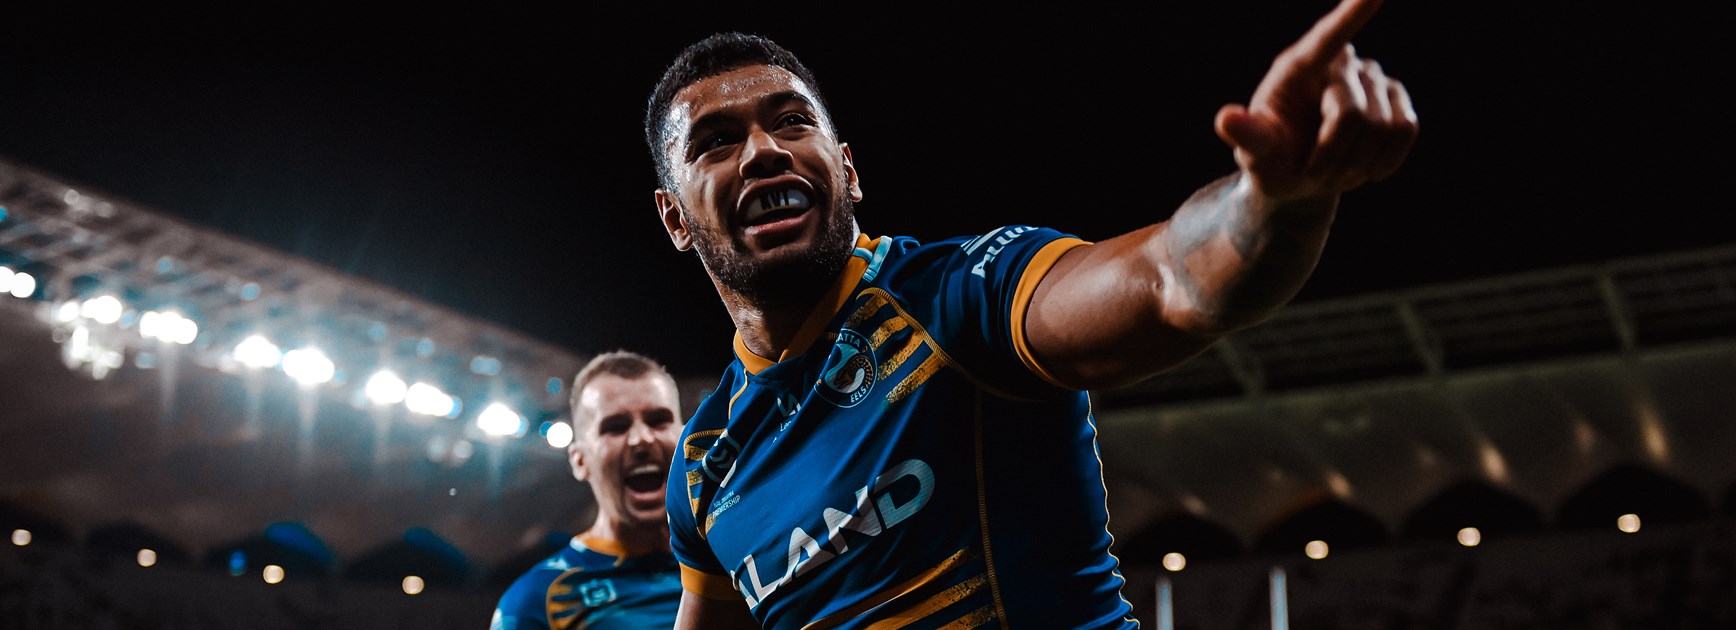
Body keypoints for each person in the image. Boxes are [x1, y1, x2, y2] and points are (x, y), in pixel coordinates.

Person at [643, 0, 1416, 626]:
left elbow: (1170, 282)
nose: (764, 151)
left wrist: (1273, 203)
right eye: (716, 141)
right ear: (675, 218)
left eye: (792, 121)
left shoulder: (957, 298)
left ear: (847, 170)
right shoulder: (705, 466)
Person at [490, 351, 685, 629]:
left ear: (686, 438)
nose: (641, 439)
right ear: (580, 461)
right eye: (615, 427)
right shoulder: (537, 602)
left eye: (658, 420)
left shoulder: (729, 561)